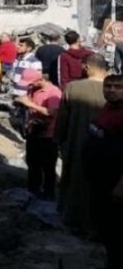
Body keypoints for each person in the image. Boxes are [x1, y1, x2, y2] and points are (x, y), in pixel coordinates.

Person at [55, 53, 108, 234]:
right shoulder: (115, 90)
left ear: (87, 67)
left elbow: (62, 120)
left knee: (75, 181)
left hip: (76, 143)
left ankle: (73, 218)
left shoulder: (73, 87)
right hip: (107, 148)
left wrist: (59, 140)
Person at [84, 74, 123, 268]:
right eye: (108, 86)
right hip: (99, 179)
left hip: (115, 183)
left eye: (118, 87)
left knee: (116, 230)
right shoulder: (107, 108)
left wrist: (121, 186)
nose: (112, 90)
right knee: (103, 224)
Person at [14, 69, 62, 199]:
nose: (29, 85)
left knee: (48, 167)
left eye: (31, 83)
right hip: (33, 132)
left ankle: (48, 194)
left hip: (48, 135)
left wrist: (29, 104)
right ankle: (33, 190)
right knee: (32, 163)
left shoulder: (54, 92)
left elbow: (51, 112)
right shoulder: (33, 90)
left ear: (40, 80)